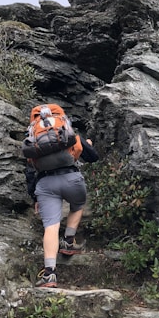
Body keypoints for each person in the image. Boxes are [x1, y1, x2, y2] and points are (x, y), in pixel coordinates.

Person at [25, 114, 99, 288]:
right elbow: (93, 157)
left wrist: (35, 196)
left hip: (45, 184)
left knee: (51, 226)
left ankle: (49, 274)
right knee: (78, 205)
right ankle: (68, 240)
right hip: (71, 178)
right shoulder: (67, 133)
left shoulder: (34, 139)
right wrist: (87, 146)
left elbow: (29, 171)